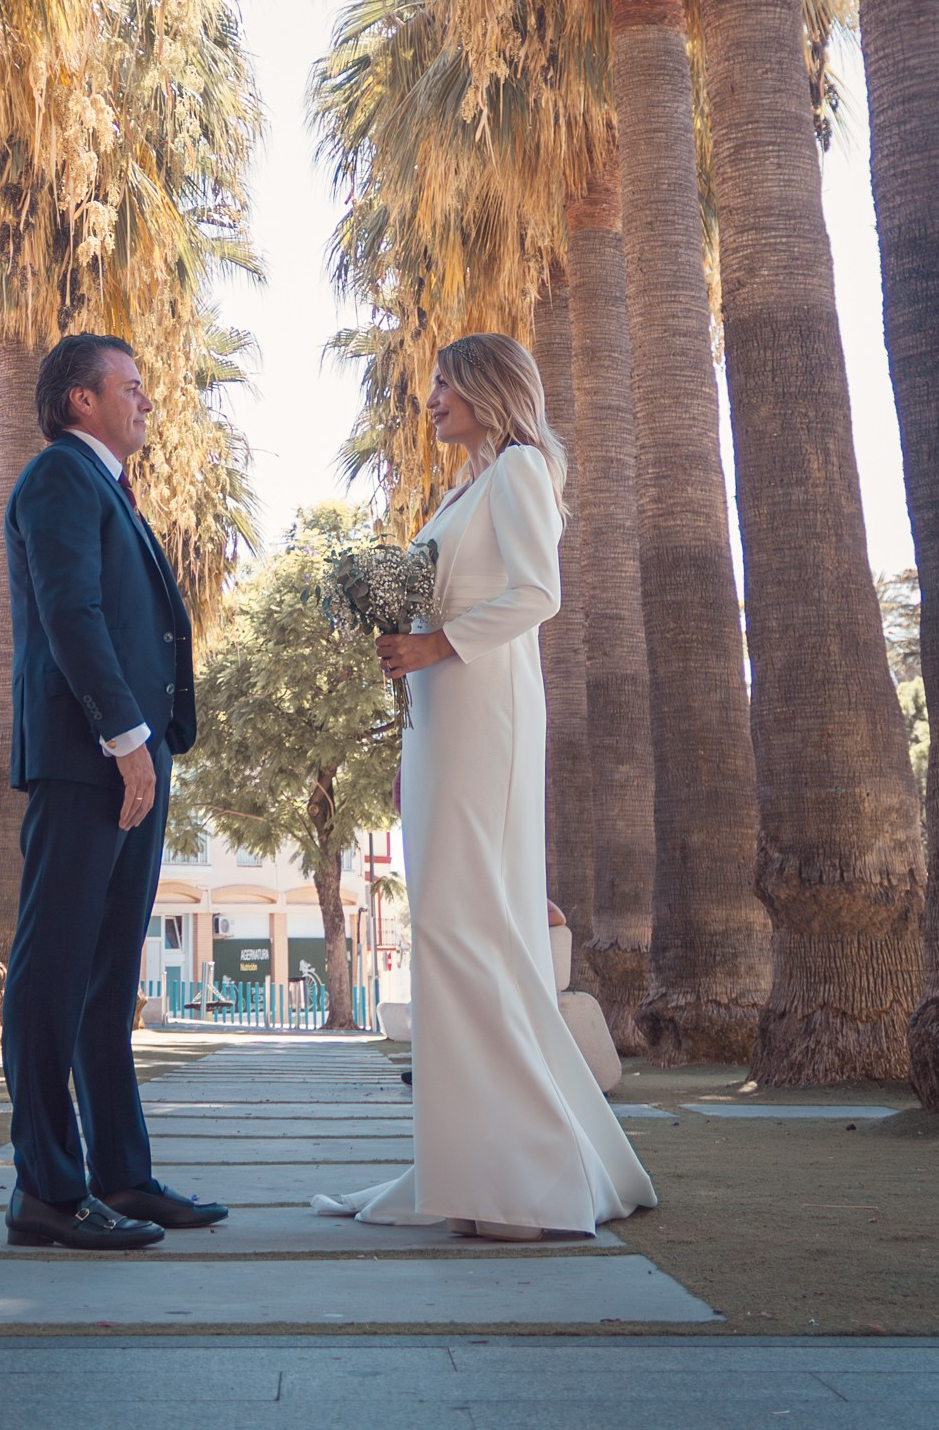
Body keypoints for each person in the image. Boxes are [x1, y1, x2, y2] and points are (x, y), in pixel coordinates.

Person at [316, 332, 656, 1239]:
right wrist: (410, 694)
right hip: (441, 725)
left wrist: (433, 644)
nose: (429, 398)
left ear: (487, 389)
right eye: (429, 384)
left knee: (471, 930)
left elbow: (538, 593)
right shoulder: (463, 487)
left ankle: (523, 1183)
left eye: (444, 384)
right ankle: (479, 1174)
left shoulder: (518, 468)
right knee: (452, 929)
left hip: (485, 716)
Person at [0, 332, 228, 1252]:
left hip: (133, 755)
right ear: (80, 402)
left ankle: (121, 1176)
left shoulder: (108, 490)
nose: (145, 401)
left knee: (106, 980)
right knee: (52, 973)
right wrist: (125, 737)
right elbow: (71, 612)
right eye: (129, 386)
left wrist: (149, 744)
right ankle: (46, 1191)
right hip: (86, 756)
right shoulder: (59, 475)